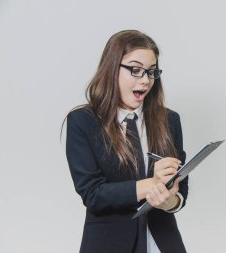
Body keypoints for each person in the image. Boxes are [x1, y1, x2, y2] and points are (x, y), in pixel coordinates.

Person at [65, 30, 188, 253]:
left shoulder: (169, 120)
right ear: (112, 68)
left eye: (151, 72)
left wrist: (167, 200)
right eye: (135, 69)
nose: (145, 80)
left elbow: (181, 194)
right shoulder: (83, 121)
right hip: (107, 245)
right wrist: (152, 184)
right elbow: (93, 195)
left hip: (162, 244)